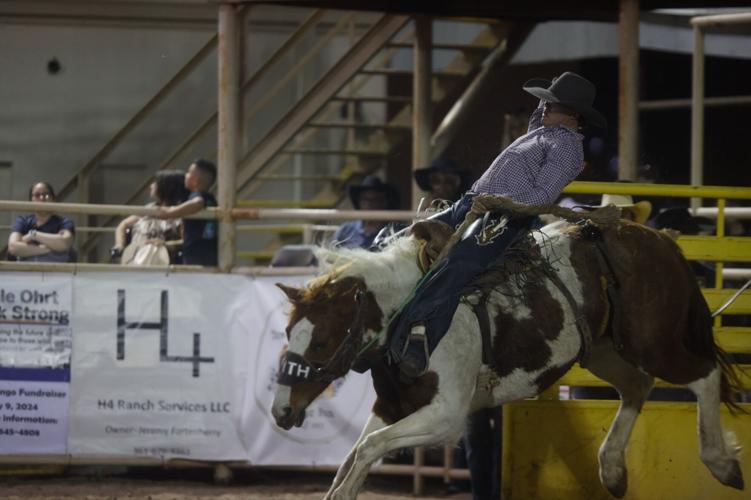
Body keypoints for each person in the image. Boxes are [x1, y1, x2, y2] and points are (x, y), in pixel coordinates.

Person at [389, 71, 607, 381]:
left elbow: (543, 195)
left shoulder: (567, 148)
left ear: (572, 114)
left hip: (505, 217)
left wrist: (502, 204)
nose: (545, 108)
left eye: (553, 105)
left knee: (458, 265)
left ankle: (418, 342)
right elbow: (539, 110)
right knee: (402, 239)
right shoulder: (539, 130)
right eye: (546, 104)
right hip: (471, 203)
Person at [111, 170, 189, 265]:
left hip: (161, 260)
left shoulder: (180, 214)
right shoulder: (149, 209)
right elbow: (123, 225)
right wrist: (119, 245)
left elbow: (186, 241)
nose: (151, 186)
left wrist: (165, 245)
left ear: (166, 187)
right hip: (135, 256)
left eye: (155, 183)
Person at [155, 159, 218, 266]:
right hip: (211, 255)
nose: (186, 175)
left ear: (196, 181)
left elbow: (198, 202)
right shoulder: (211, 199)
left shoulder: (196, 195)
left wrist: (170, 212)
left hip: (195, 256)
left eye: (188, 173)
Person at [8, 182, 75, 262]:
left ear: (53, 200)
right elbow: (13, 247)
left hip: (56, 272)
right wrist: (47, 249)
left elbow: (64, 243)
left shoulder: (64, 222)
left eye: (46, 195)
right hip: (26, 272)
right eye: (37, 195)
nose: (42, 198)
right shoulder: (23, 221)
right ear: (31, 201)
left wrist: (33, 235)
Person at [332, 175, 401, 250]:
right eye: (365, 199)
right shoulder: (345, 231)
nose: (369, 204)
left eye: (375, 199)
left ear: (383, 203)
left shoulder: (393, 233)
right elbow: (330, 257)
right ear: (359, 202)